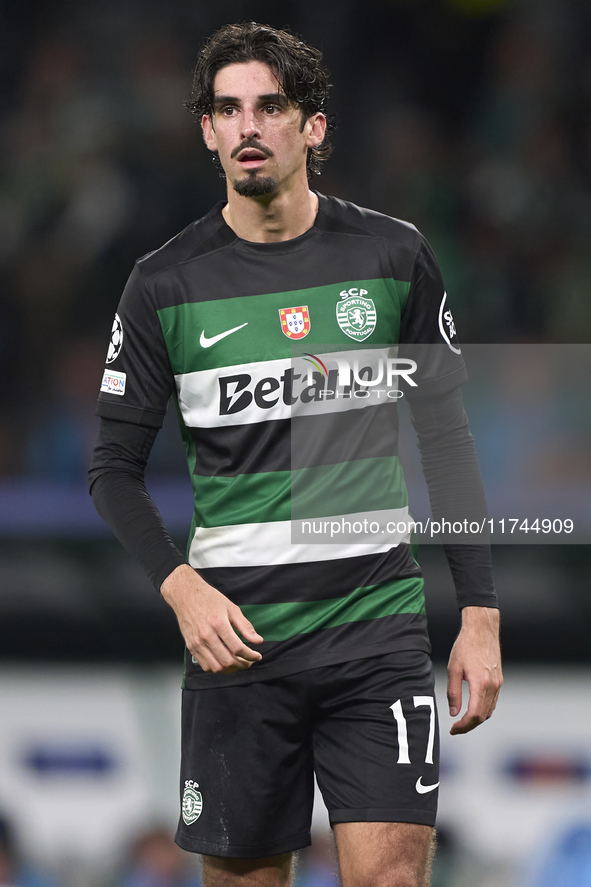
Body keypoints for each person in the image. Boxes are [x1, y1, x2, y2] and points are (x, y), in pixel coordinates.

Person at [89, 22, 502, 887]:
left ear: (312, 125)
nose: (247, 126)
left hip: (374, 634)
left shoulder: (390, 255)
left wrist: (477, 610)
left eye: (270, 107)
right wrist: (183, 587)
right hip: (238, 644)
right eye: (227, 109)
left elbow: (445, 437)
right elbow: (111, 470)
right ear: (205, 129)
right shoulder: (165, 284)